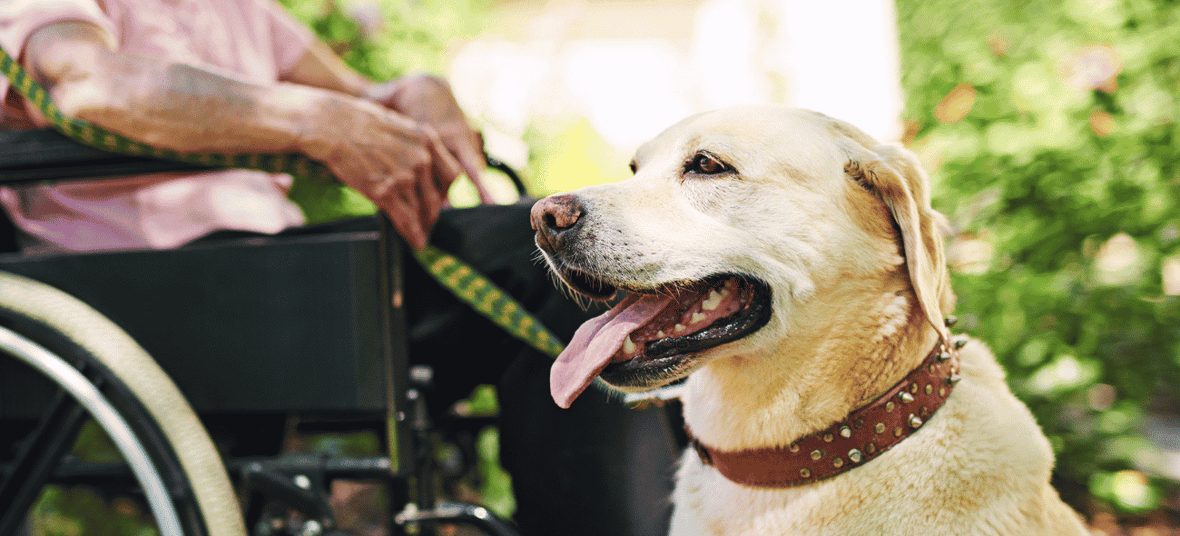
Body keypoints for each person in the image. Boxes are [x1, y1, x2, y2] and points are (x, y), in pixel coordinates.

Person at [0, 0, 677, 534]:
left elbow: (360, 97)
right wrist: (310, 120)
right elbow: (86, 83)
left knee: (570, 271)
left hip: (278, 277)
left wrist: (417, 90)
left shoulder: (237, 9)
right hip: (146, 287)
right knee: (534, 257)